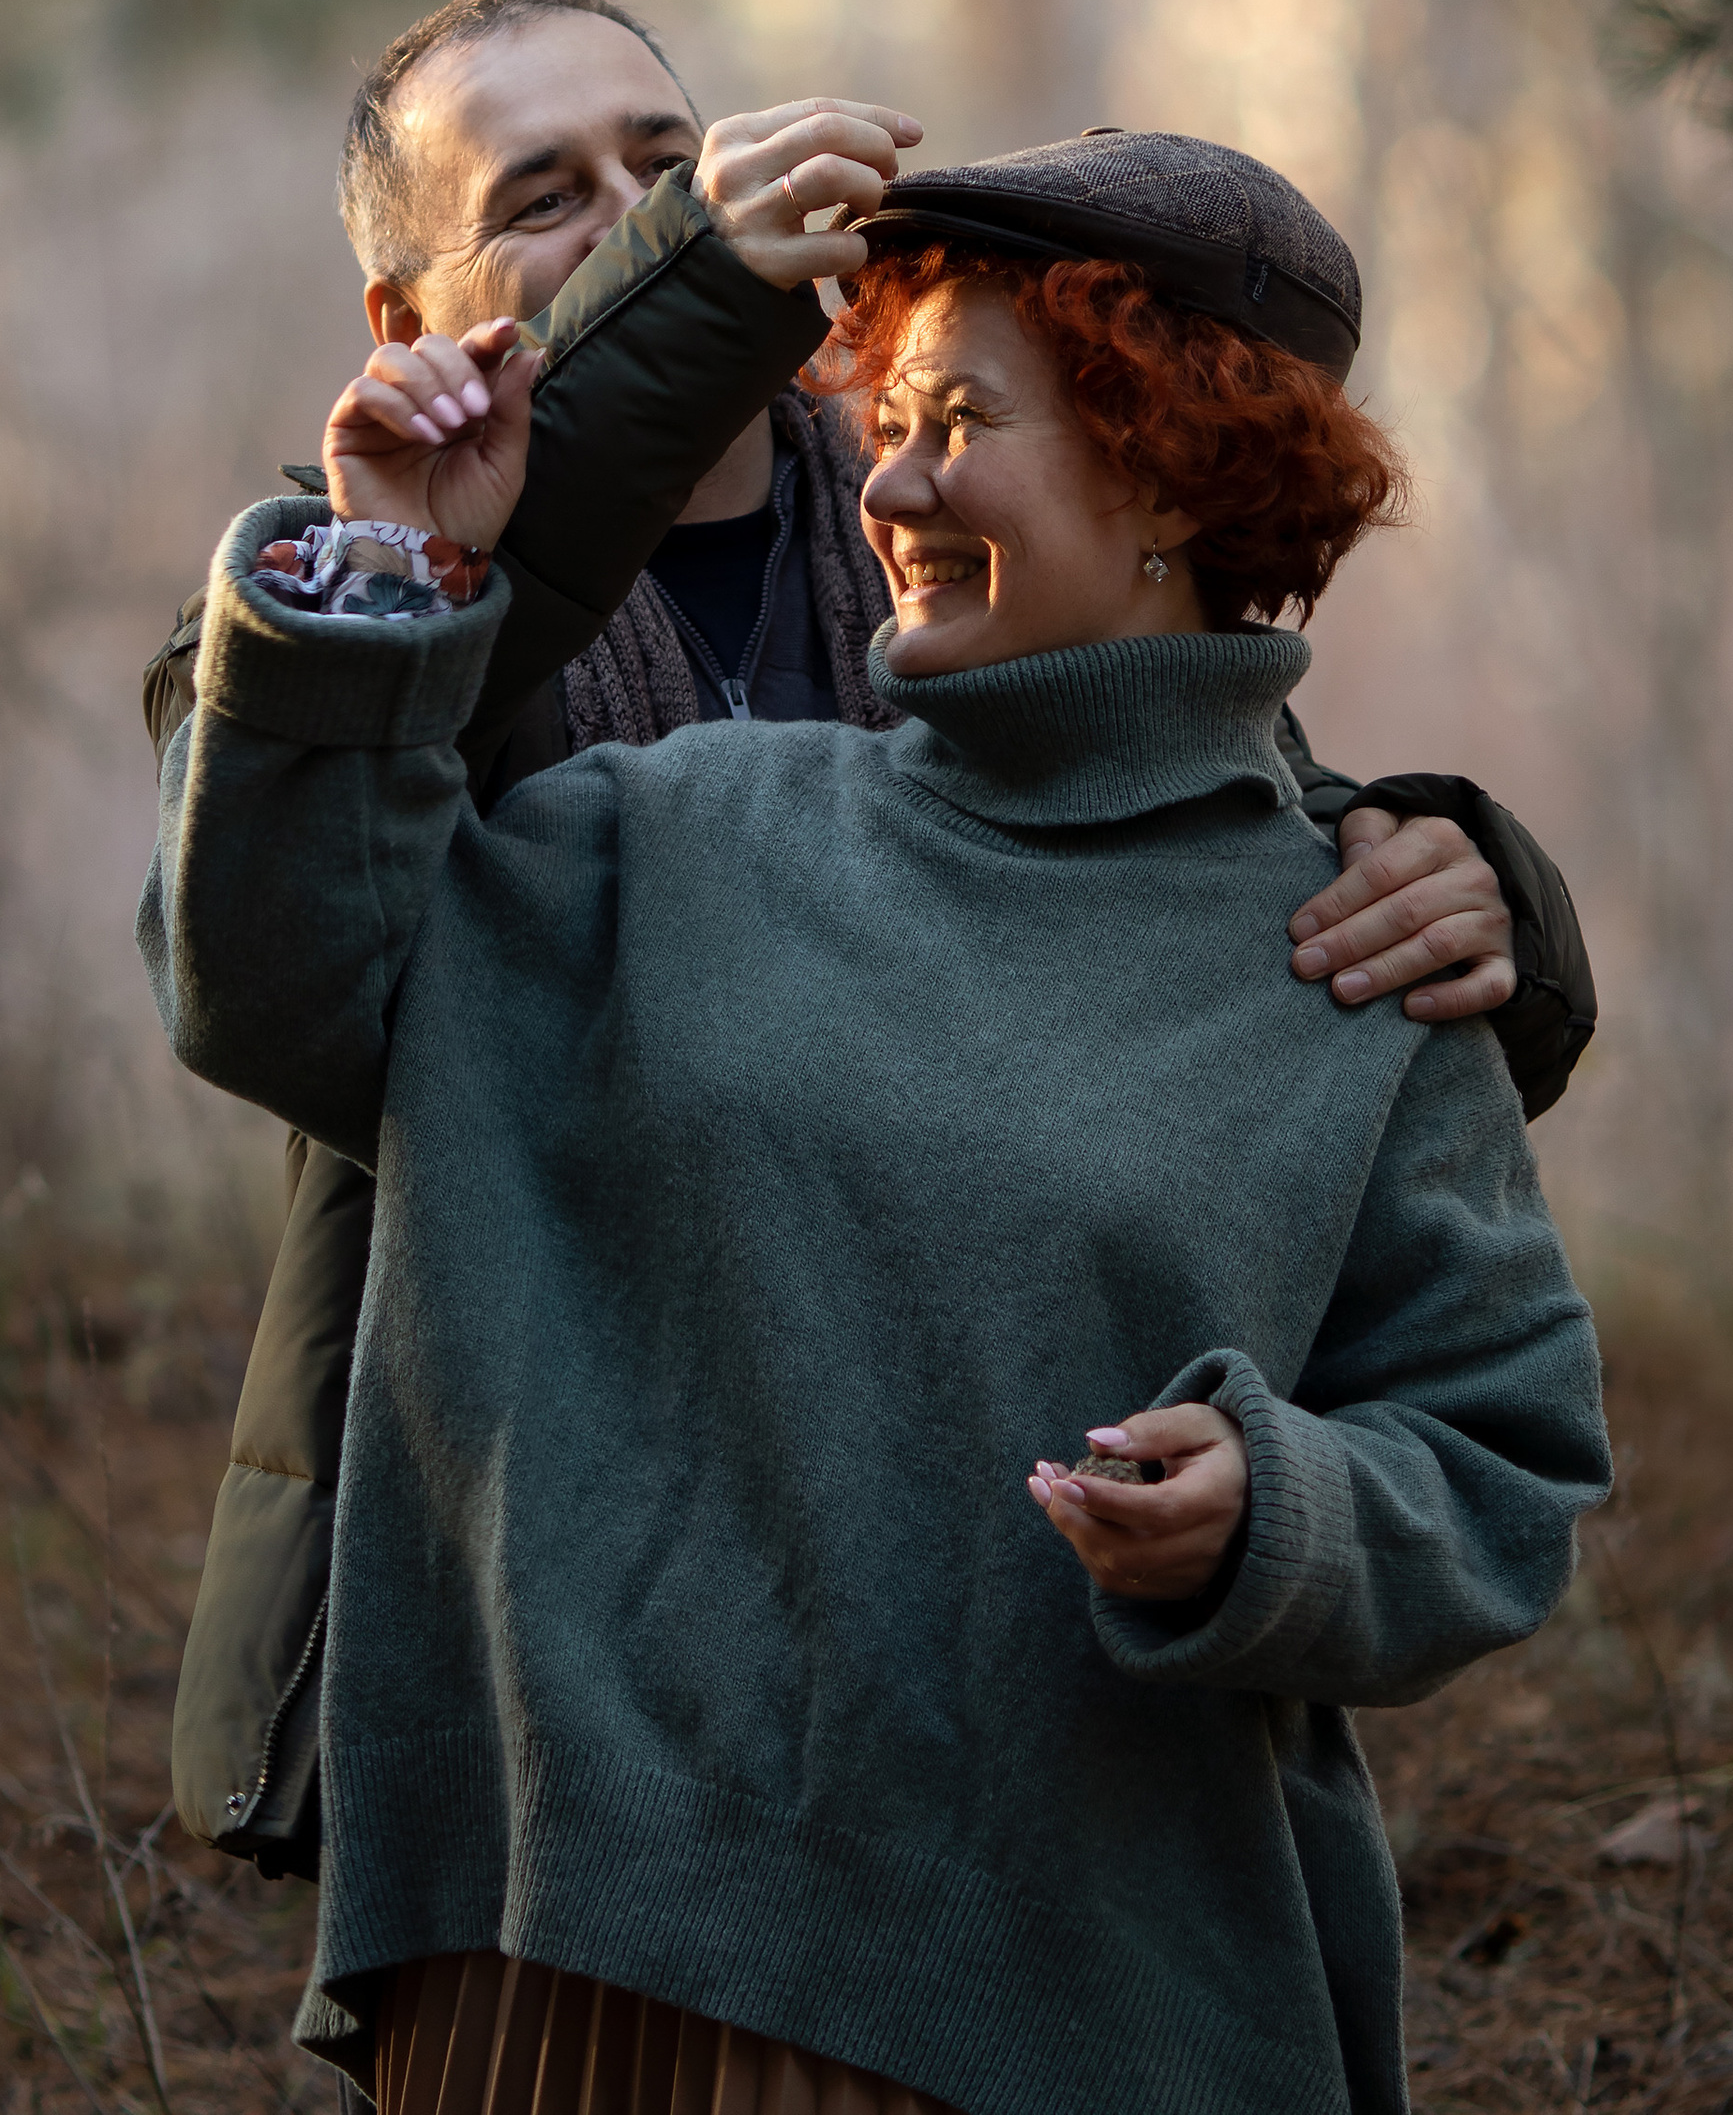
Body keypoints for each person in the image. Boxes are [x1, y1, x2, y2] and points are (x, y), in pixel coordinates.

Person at [143, 131, 1612, 2114]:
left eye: (961, 421)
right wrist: (395, 563)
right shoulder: (671, 832)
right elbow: (277, 987)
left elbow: (1495, 1464)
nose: (890, 483)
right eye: (887, 417)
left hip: (1070, 2000)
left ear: (1175, 464)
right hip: (572, 1991)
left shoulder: (1362, 952)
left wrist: (1272, 1512)